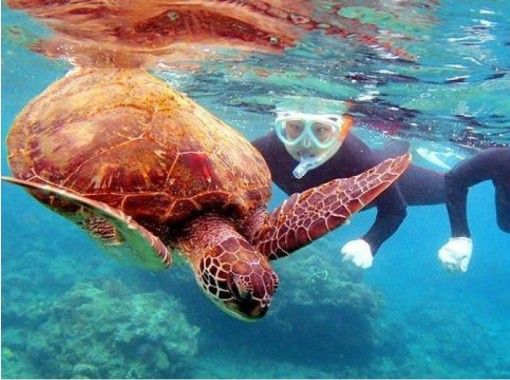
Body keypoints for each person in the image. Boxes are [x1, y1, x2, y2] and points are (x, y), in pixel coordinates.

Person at [251, 98, 509, 272]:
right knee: (388, 150)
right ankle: (400, 139)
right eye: (294, 128)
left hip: (391, 176)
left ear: (342, 130)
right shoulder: (259, 150)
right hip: (370, 162)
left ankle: (405, 138)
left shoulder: (360, 158)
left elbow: (396, 209)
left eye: (321, 131)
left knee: (441, 187)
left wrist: (369, 243)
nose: (305, 143)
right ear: (280, 126)